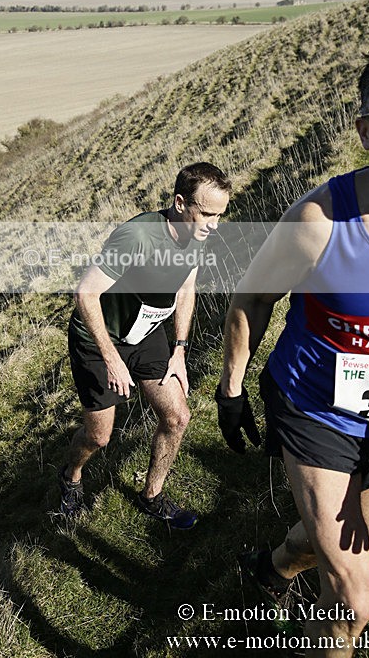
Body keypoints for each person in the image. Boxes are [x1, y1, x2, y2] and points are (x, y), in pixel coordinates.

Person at [217, 50, 369, 656]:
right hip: (317, 410)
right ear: (365, 131)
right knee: (353, 596)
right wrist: (231, 388)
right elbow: (253, 298)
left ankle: (273, 568)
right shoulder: (319, 222)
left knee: (344, 530)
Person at [59, 162, 231, 528]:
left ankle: (152, 496)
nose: (214, 225)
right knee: (99, 436)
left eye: (220, 215)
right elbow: (85, 293)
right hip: (99, 339)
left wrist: (180, 350)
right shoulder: (136, 236)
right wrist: (111, 358)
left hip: (147, 333)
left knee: (177, 417)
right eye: (207, 214)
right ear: (180, 203)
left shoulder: (198, 235)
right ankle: (71, 476)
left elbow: (186, 289)